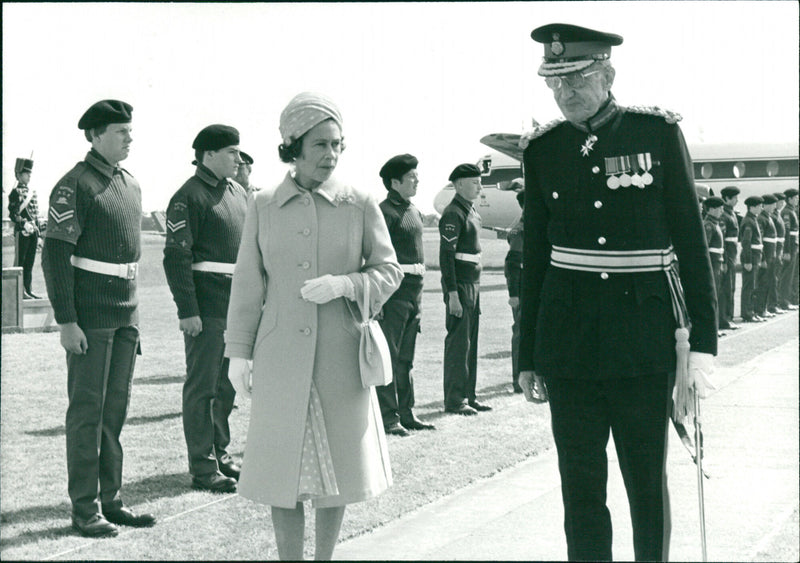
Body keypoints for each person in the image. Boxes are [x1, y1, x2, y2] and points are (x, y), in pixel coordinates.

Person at [518, 24, 717, 561]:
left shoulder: (654, 135)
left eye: (578, 78)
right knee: (580, 492)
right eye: (555, 82)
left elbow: (691, 244)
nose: (566, 93)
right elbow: (534, 259)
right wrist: (527, 357)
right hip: (568, 348)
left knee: (646, 487)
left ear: (608, 74)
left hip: (643, 343)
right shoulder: (542, 150)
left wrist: (702, 346)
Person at [224, 92, 402, 561]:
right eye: (320, 144)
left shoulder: (359, 202)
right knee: (280, 472)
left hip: (339, 358)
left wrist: (346, 283)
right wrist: (238, 352)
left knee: (337, 472)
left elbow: (389, 270)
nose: (331, 155)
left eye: (337, 144)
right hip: (279, 357)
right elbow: (247, 284)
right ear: (293, 146)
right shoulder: (261, 204)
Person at [41, 99, 156, 537]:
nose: (129, 137)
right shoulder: (75, 185)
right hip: (90, 317)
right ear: (94, 135)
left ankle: (112, 499)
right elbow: (55, 255)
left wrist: (135, 315)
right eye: (120, 131)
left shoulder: (130, 184)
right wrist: (67, 320)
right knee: (88, 412)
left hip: (126, 315)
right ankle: (84, 508)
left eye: (130, 130)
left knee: (114, 412)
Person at [163, 124, 247, 494]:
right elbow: (176, 257)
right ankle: (202, 466)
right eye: (231, 152)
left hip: (236, 308)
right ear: (208, 155)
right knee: (203, 388)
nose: (239, 159)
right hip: (207, 308)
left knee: (226, 386)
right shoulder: (188, 196)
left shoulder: (238, 193)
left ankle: (221, 454)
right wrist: (187, 309)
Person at [375, 153, 436, 436]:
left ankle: (407, 413)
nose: (417, 181)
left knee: (407, 358)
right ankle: (388, 417)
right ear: (394, 182)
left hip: (415, 292)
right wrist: (379, 301)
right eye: (411, 177)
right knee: (389, 355)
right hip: (394, 294)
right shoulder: (383, 213)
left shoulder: (413, 211)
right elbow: (374, 258)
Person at [440, 163, 492, 416]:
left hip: (474, 283)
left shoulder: (472, 212)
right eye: (474, 182)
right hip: (460, 285)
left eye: (479, 182)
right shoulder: (453, 213)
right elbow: (446, 256)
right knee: (459, 344)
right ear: (459, 185)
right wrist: (452, 294)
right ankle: (454, 400)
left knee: (470, 343)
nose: (479, 187)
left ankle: (468, 395)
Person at [8, 157, 42, 298]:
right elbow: (13, 214)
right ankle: (20, 291)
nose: (29, 176)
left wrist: (37, 230)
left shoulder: (32, 192)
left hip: (32, 231)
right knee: (20, 263)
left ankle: (28, 289)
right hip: (22, 232)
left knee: (29, 263)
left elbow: (35, 213)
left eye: (29, 173)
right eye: (26, 173)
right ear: (18, 175)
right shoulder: (15, 192)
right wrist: (24, 223)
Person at [503, 185, 525, 393]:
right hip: (523, 289)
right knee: (520, 332)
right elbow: (512, 263)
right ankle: (518, 379)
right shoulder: (520, 230)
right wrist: (514, 295)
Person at [718, 186, 741, 330]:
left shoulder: (730, 213)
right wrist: (725, 261)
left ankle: (729, 317)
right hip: (728, 255)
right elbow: (722, 241)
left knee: (731, 287)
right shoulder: (724, 215)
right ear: (727, 198)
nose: (737, 200)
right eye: (734, 198)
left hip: (732, 254)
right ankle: (724, 319)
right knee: (725, 288)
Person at [703, 197, 726, 335]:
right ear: (711, 209)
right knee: (712, 295)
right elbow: (705, 248)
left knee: (717, 294)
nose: (722, 211)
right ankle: (712, 328)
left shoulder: (714, 223)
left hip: (717, 262)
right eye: (719, 208)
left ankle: (715, 327)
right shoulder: (709, 225)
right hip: (712, 264)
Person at [739, 195, 764, 322]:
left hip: (755, 257)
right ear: (752, 207)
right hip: (751, 257)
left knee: (753, 285)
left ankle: (751, 311)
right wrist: (748, 260)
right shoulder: (748, 221)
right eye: (759, 206)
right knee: (749, 286)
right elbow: (746, 242)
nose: (761, 208)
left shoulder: (752, 219)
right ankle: (747, 313)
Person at [753, 193, 777, 319]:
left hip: (770, 255)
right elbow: (760, 239)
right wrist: (762, 258)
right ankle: (759, 309)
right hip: (766, 255)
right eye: (772, 204)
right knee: (762, 283)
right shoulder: (762, 219)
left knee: (768, 282)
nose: (774, 207)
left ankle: (764, 308)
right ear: (766, 205)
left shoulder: (768, 216)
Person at [768, 192, 788, 314]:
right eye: (779, 202)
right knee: (773, 278)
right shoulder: (774, 217)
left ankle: (775, 303)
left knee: (776, 277)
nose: (781, 204)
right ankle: (772, 304)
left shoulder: (777, 215)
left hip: (778, 249)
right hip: (775, 251)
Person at [778, 188, 799, 309]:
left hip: (794, 245)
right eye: (795, 198)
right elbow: (786, 232)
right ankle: (784, 301)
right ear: (789, 199)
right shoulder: (787, 212)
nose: (797, 200)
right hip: (790, 247)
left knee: (793, 274)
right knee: (787, 275)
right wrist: (786, 251)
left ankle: (791, 298)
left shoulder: (792, 211)